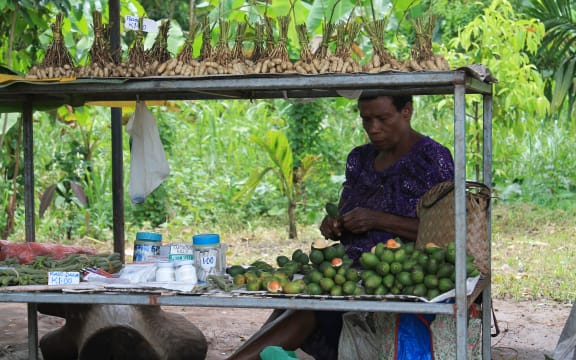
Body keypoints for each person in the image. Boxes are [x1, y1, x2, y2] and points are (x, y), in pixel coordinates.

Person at [227, 94, 454, 360]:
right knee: (292, 304)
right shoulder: (360, 158)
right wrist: (334, 225)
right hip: (345, 270)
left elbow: (446, 232)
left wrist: (378, 219)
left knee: (309, 310)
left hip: (395, 273)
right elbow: (344, 209)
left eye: (382, 118)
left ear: (406, 111)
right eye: (366, 119)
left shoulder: (432, 158)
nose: (373, 128)